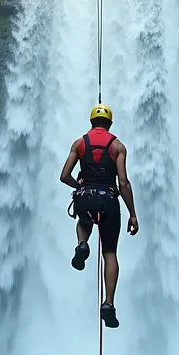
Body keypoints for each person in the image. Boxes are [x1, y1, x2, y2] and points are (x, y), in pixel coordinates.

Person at [60, 103, 138, 329]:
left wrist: (80, 186)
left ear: (91, 122)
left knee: (83, 221)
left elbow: (64, 176)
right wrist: (132, 214)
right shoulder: (117, 146)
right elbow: (123, 182)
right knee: (110, 252)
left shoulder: (79, 143)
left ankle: (82, 244)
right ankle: (109, 304)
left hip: (85, 198)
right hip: (109, 200)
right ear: (110, 123)